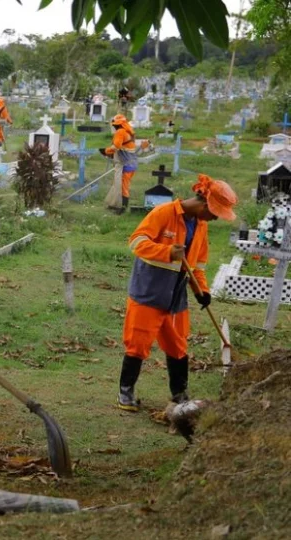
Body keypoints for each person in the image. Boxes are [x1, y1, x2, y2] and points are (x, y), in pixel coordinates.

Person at [117, 174, 237, 412]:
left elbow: (198, 265)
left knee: (178, 346)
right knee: (138, 344)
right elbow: (136, 242)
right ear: (204, 204)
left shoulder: (200, 227)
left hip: (176, 297)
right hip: (148, 292)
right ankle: (125, 393)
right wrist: (167, 251)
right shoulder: (164, 213)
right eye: (214, 213)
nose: (214, 219)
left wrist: (202, 291)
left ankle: (180, 395)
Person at [101, 114, 137, 214]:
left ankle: (123, 209)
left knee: (123, 187)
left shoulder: (120, 132)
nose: (113, 126)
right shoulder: (128, 131)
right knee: (117, 184)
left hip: (125, 164)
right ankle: (114, 204)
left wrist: (105, 151)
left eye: (114, 125)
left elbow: (116, 147)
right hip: (131, 163)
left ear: (118, 125)